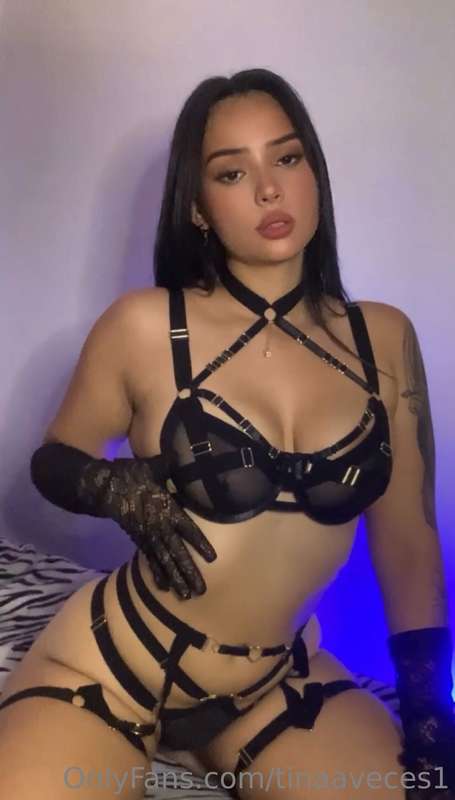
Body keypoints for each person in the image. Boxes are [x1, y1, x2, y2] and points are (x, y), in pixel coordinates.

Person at [0, 68, 453, 800]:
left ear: (314, 173)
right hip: (115, 665)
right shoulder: (146, 326)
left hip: (273, 684)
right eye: (232, 172)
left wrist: (431, 712)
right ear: (198, 207)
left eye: (287, 158)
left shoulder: (384, 339)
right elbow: (54, 458)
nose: (269, 190)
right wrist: (107, 486)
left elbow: (407, 540)